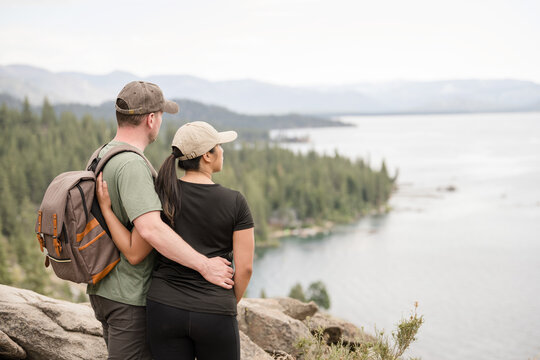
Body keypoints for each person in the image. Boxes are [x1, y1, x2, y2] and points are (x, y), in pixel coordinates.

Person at [88, 82, 235, 360]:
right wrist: (205, 266)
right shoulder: (132, 165)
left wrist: (108, 212)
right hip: (129, 297)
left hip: (105, 289)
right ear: (151, 119)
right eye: (162, 114)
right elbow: (148, 233)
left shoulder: (103, 153)